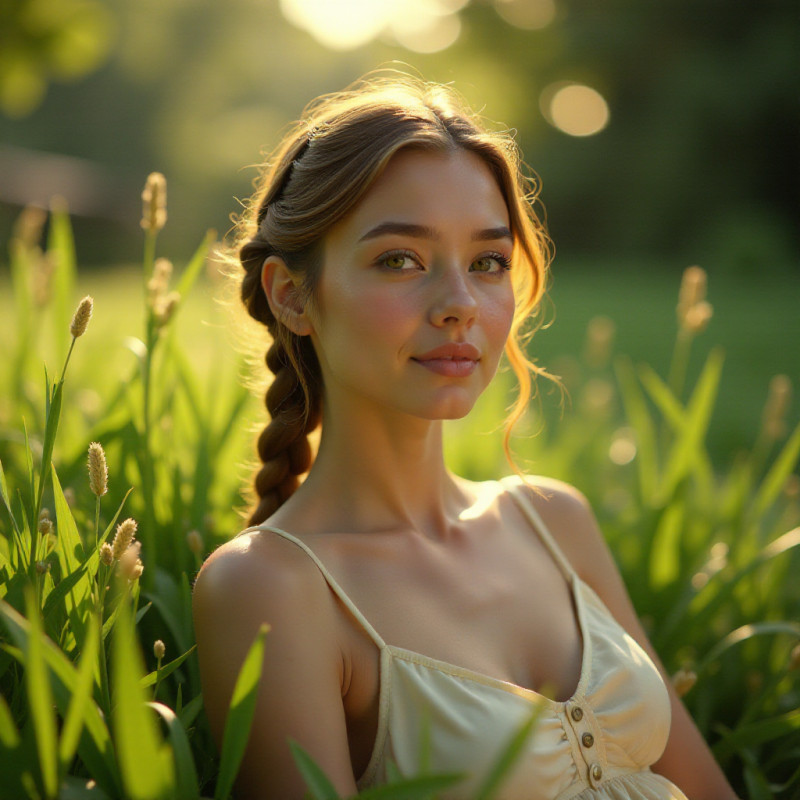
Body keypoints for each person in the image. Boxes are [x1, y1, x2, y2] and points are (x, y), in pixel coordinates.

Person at [192, 74, 738, 800]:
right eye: (400, 260)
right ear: (291, 294)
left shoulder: (554, 521)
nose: (459, 305)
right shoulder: (271, 587)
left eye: (487, 262)